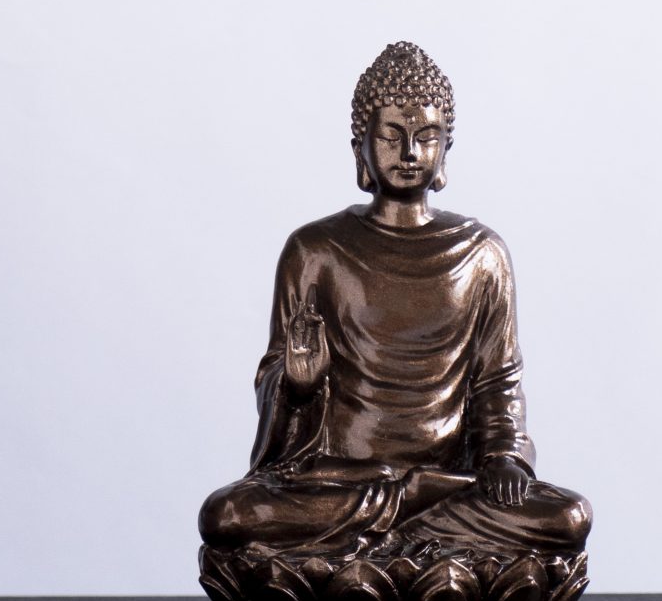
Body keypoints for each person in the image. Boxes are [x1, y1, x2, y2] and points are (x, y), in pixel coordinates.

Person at [198, 41, 591, 563]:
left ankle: (391, 541)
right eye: (391, 136)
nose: (409, 153)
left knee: (568, 518)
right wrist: (297, 382)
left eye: (426, 137)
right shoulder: (316, 251)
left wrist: (503, 459)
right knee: (228, 516)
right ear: (360, 146)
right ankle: (420, 534)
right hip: (341, 484)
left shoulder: (482, 254)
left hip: (452, 483)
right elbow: (279, 400)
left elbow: (499, 384)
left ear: (446, 149)